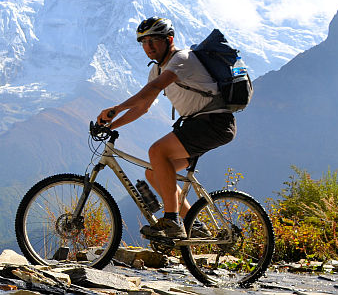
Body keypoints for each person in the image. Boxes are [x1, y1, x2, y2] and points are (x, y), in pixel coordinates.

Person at [97, 17, 236, 240]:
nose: (148, 47)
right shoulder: (157, 69)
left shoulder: (181, 59)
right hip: (199, 125)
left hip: (213, 122)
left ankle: (171, 220)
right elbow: (142, 107)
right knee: (154, 173)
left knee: (157, 151)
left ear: (169, 39)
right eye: (143, 42)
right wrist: (111, 125)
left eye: (153, 41)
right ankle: (194, 225)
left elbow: (155, 87)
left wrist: (116, 108)